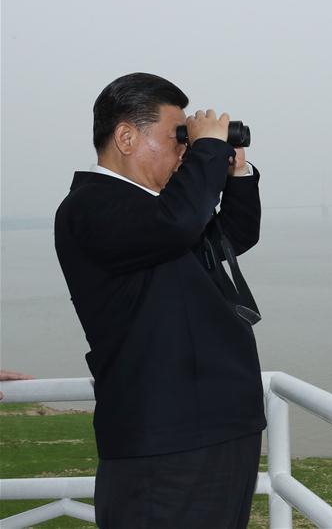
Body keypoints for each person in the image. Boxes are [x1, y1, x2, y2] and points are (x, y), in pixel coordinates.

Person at [54, 73, 266, 528]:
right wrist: (207, 152)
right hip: (165, 441)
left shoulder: (161, 212)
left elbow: (234, 236)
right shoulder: (90, 206)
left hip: (218, 428)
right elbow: (178, 224)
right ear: (126, 137)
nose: (184, 151)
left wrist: (236, 171)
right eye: (178, 138)